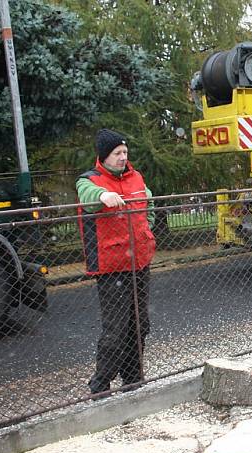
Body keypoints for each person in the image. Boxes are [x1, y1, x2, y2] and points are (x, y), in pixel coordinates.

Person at [76, 128, 156, 394]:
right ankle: (100, 383)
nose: (123, 157)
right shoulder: (91, 180)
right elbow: (87, 196)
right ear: (104, 156)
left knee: (140, 323)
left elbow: (149, 203)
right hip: (112, 267)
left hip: (139, 262)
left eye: (125, 152)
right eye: (117, 153)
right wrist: (103, 196)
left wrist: (148, 230)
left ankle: (132, 378)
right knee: (116, 329)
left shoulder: (136, 178)